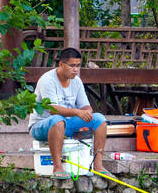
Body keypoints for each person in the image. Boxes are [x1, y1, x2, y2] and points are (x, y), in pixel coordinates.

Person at [30, 47, 107, 175]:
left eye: (78, 65)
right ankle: (58, 167)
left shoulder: (76, 81)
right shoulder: (47, 80)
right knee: (58, 120)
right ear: (61, 64)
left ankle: (98, 165)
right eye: (72, 66)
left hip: (66, 124)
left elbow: (85, 106)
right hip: (42, 126)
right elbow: (53, 109)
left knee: (99, 119)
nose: (75, 69)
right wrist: (77, 112)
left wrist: (87, 112)